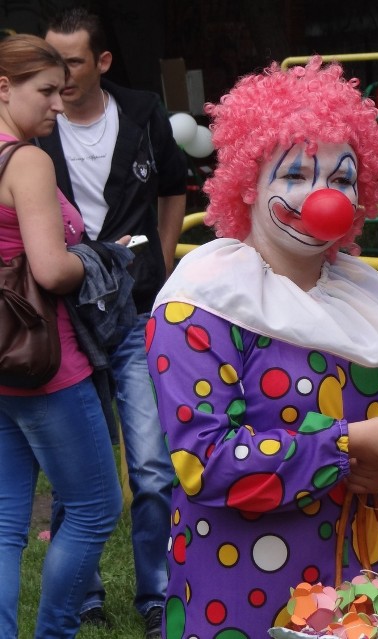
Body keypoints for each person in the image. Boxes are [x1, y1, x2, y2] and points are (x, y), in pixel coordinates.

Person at [145, 58, 378, 638]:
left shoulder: (370, 303)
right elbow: (203, 463)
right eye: (296, 176)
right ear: (248, 183)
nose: (321, 197)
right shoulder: (202, 304)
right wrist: (348, 444)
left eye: (340, 179)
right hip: (245, 595)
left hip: (365, 588)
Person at [37, 7, 186, 637]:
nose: (59, 74)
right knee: (79, 470)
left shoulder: (145, 110)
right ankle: (85, 585)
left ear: (101, 62)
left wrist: (166, 253)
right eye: (50, 59)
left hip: (137, 310)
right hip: (66, 320)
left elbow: (176, 186)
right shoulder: (32, 129)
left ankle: (154, 593)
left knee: (151, 464)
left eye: (71, 60)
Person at [0, 34, 123, 638]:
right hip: (48, 362)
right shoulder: (26, 161)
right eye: (45, 91)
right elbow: (50, 269)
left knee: (3, 523)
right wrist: (100, 257)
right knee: (98, 509)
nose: (57, 104)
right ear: (4, 87)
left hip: (0, 364)